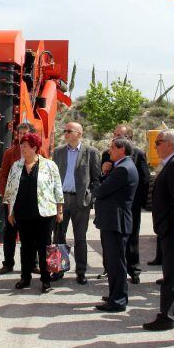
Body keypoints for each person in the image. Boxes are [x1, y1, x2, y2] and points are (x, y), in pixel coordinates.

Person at [143, 129, 174, 330]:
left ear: (171, 144)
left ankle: (167, 315)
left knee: (172, 272)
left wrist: (167, 225)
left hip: (173, 229)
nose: (156, 146)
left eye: (159, 142)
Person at [3, 133, 64, 294]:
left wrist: (60, 210)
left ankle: (46, 280)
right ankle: (25, 278)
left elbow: (58, 188)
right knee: (26, 247)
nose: (22, 148)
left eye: (25, 146)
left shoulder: (49, 165)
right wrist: (10, 212)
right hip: (23, 213)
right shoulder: (16, 166)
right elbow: (10, 190)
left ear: (34, 148)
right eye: (21, 145)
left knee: (44, 247)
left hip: (45, 213)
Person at [52, 122, 101, 284]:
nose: (65, 133)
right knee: (59, 236)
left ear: (79, 134)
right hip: (61, 201)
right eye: (64, 130)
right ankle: (58, 269)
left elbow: (96, 179)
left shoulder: (91, 153)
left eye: (69, 131)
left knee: (80, 238)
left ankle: (81, 271)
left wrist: (89, 197)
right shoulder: (58, 152)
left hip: (81, 202)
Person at [101, 125, 151, 284]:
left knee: (132, 238)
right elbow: (101, 180)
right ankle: (109, 268)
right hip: (112, 207)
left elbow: (144, 180)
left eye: (120, 135)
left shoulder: (138, 154)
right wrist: (104, 171)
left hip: (130, 205)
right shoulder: (107, 154)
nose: (115, 138)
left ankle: (133, 269)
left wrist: (139, 203)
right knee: (111, 241)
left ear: (129, 138)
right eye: (114, 134)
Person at [93, 138, 138, 312]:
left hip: (116, 222)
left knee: (116, 263)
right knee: (113, 262)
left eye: (112, 147)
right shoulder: (120, 167)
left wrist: (98, 184)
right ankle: (115, 295)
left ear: (122, 150)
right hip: (113, 221)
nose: (109, 150)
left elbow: (102, 190)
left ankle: (118, 300)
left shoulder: (123, 169)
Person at [0, 122, 36, 275]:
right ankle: (8, 263)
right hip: (13, 199)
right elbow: (3, 175)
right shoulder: (10, 153)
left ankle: (33, 264)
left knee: (32, 233)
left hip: (32, 199)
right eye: (20, 134)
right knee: (10, 232)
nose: (22, 137)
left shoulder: (39, 152)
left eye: (25, 134)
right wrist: (6, 196)